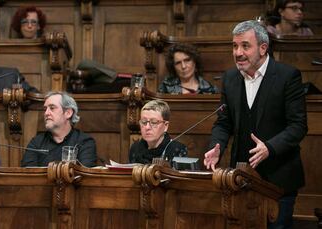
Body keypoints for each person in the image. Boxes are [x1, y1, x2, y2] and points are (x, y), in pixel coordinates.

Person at [203, 20, 307, 228]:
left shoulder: (288, 76)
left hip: (278, 181)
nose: (238, 52)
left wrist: (270, 147)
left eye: (245, 46)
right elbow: (224, 123)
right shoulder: (231, 78)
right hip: (240, 179)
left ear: (262, 48)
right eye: (234, 46)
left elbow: (298, 126)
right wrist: (217, 147)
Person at [21, 91, 97, 167]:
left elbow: (86, 176)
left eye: (52, 108)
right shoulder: (36, 142)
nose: (46, 113)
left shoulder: (84, 142)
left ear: (68, 113)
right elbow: (28, 175)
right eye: (45, 109)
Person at [129, 99, 187, 164]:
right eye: (144, 122)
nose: (147, 127)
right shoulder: (135, 148)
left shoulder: (177, 149)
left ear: (165, 126)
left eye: (154, 122)